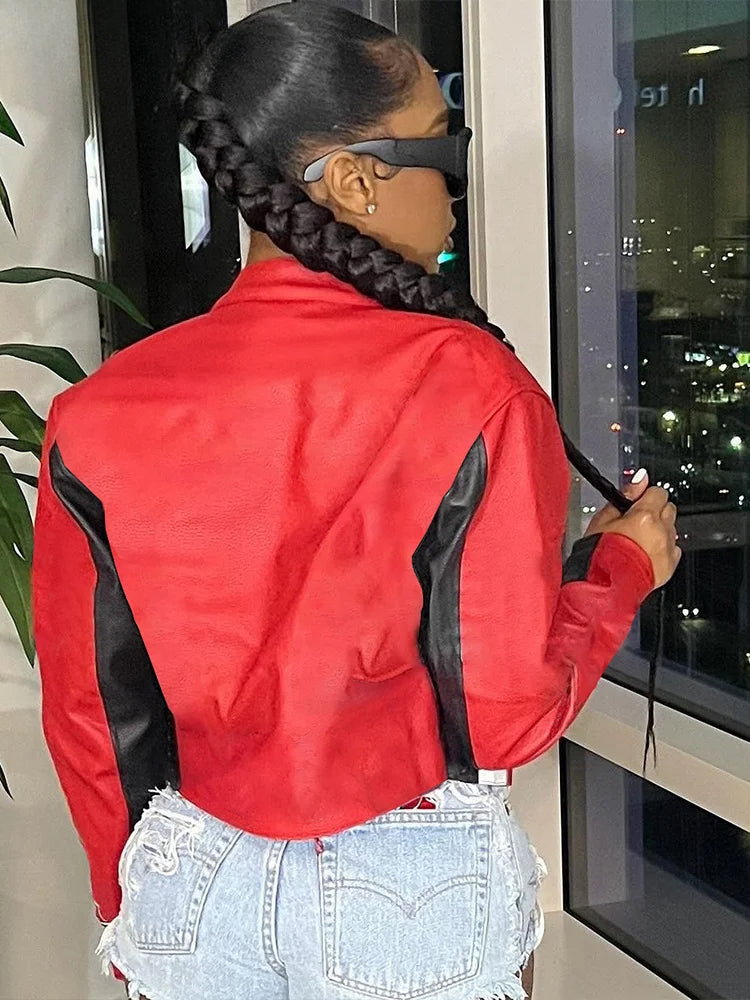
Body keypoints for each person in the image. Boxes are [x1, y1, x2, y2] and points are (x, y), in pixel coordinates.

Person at [32, 5, 680, 1000]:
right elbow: (505, 717)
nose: (455, 183)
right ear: (353, 179)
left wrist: (134, 907)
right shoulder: (471, 384)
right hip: (408, 884)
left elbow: (92, 711)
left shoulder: (97, 411)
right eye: (445, 145)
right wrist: (621, 566)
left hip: (190, 875)